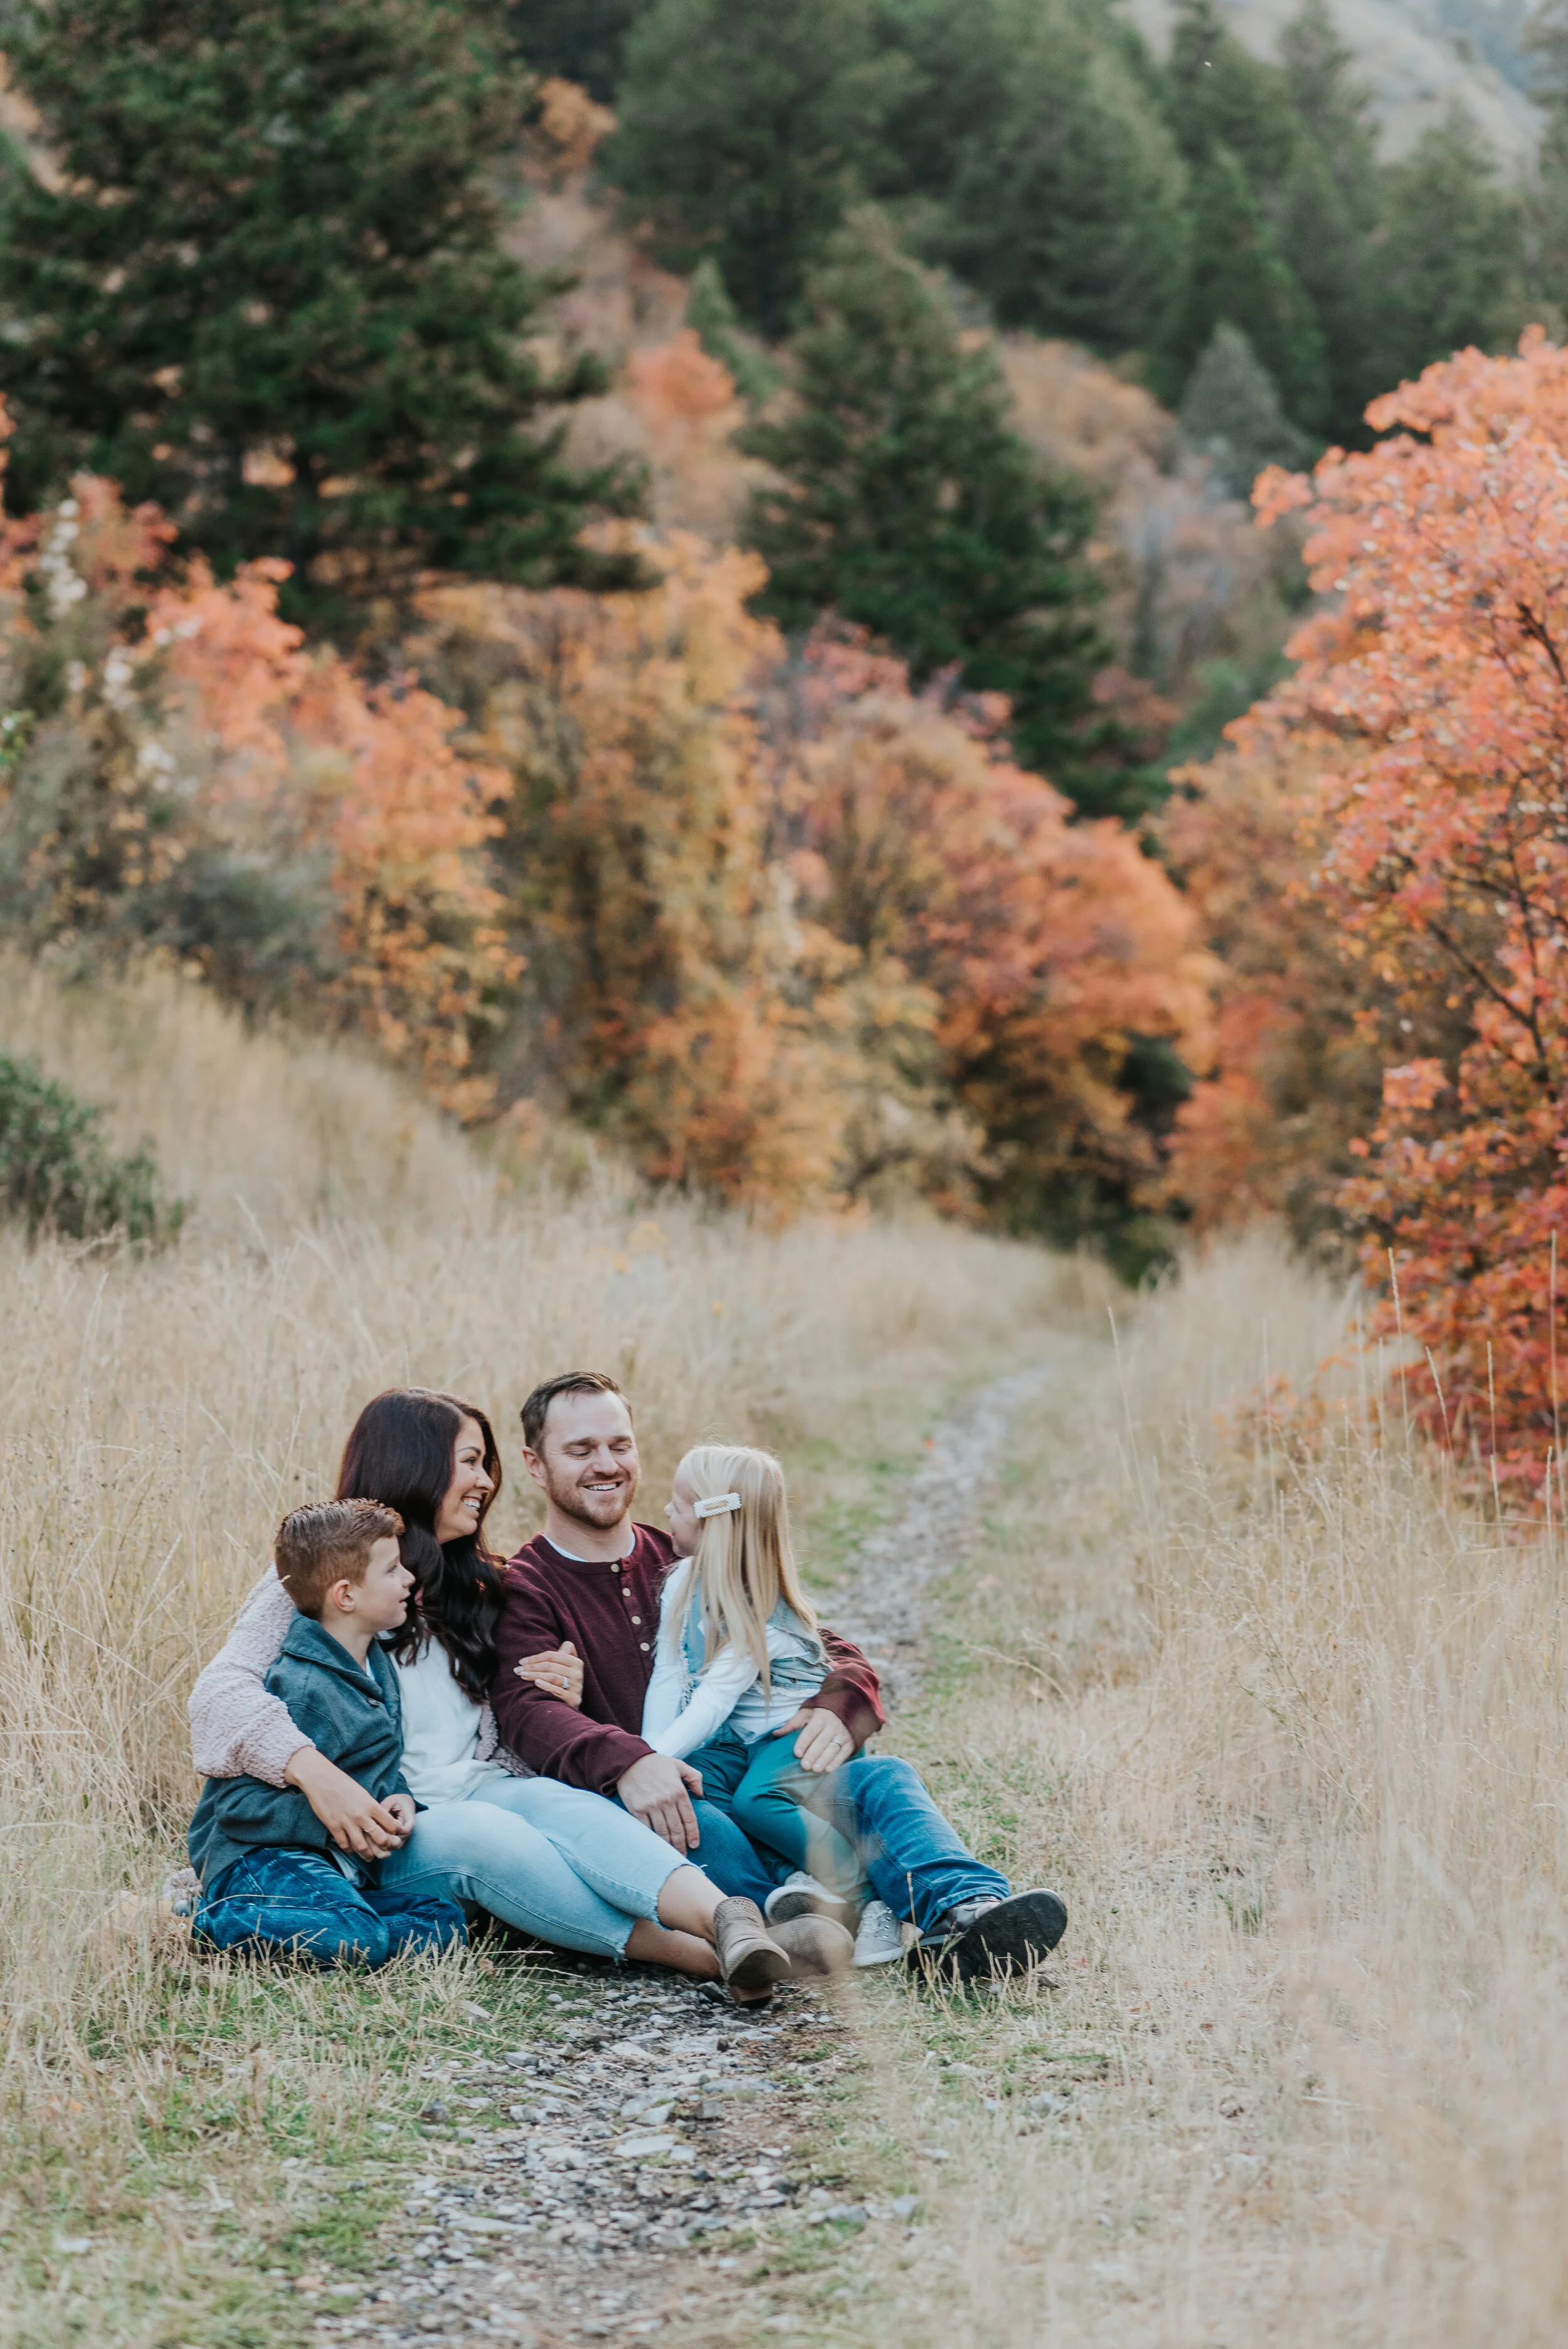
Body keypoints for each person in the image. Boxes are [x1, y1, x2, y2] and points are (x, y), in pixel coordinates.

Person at [188, 1389, 805, 2000]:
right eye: (468, 1461)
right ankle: (697, 1956)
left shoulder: (478, 1583)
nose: (485, 1480)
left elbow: (521, 1716)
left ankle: (731, 1921)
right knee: (491, 1836)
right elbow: (219, 1693)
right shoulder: (330, 1573)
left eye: (486, 1463)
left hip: (482, 1781)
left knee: (570, 1811)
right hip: (394, 1822)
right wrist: (318, 1776)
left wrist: (575, 1697)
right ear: (415, 1465)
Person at [495, 1372, 1070, 1983]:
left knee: (881, 1779)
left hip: (767, 1765)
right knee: (694, 1822)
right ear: (535, 1464)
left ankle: (962, 1913)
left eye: (620, 1444)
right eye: (581, 1450)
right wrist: (630, 1761)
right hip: (680, 1790)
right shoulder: (525, 1587)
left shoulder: (693, 1547)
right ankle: (798, 1922)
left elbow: (807, 1637)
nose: (606, 1464)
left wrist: (842, 1697)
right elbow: (527, 1712)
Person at [189, 1500, 467, 1967]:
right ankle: (206, 1920)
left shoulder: (374, 1663)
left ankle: (344, 1931)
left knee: (444, 1922)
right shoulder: (303, 1687)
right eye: (393, 1569)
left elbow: (371, 1763)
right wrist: (335, 1824)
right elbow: (237, 1808)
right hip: (259, 1860)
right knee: (358, 1936)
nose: (408, 1579)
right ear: (346, 1596)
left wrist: (396, 1795)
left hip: (325, 1870)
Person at [642, 1443, 867, 1923]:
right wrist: (648, 1754)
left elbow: (714, 1699)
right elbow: (670, 1670)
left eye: (678, 1505)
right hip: (745, 1743)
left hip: (797, 1737)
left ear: (712, 1522)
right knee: (701, 1784)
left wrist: (658, 1760)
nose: (666, 1511)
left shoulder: (757, 1610)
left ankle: (858, 1888)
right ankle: (797, 1877)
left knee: (757, 1800)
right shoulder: (682, 1579)